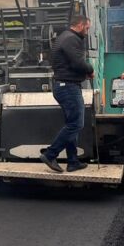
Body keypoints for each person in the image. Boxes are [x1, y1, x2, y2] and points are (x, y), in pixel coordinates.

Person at [41, 15, 94, 173]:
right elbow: (77, 62)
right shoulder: (71, 39)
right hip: (68, 87)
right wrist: (90, 70)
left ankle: (73, 161)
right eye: (87, 27)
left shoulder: (65, 37)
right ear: (79, 25)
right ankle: (50, 154)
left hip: (65, 86)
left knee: (72, 124)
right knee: (76, 124)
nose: (87, 31)